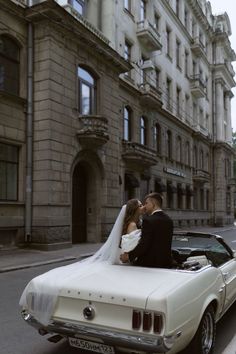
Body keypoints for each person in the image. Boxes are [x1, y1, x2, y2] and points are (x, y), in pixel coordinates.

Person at [120, 192, 173, 268]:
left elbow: (144, 244)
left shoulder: (148, 220)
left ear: (153, 204)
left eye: (147, 203)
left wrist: (129, 256)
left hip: (148, 265)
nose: (145, 206)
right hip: (165, 264)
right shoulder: (169, 220)